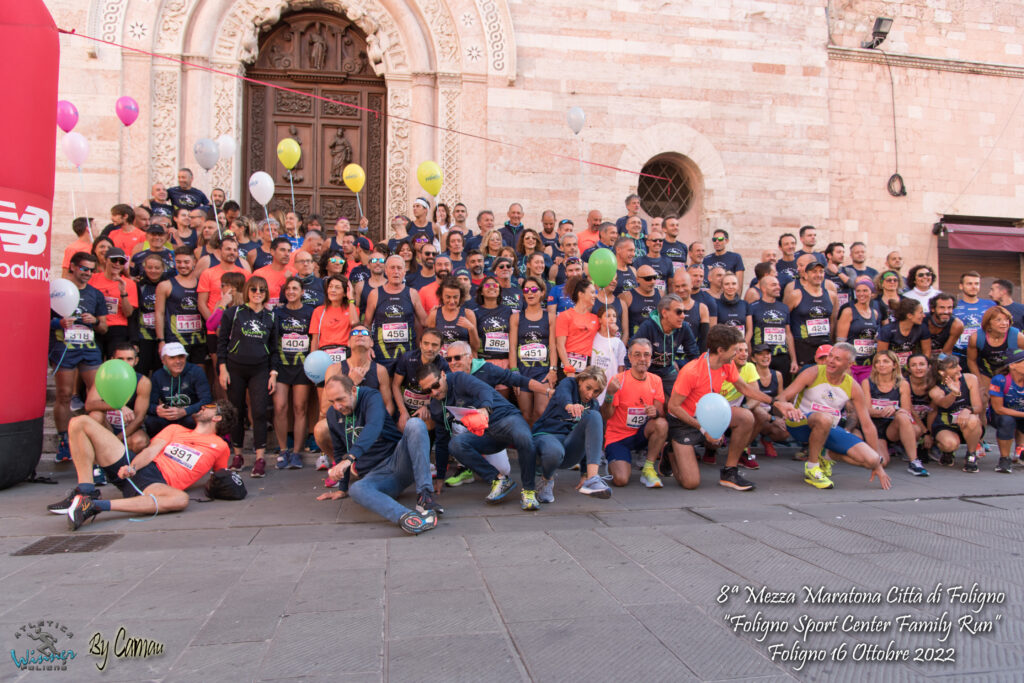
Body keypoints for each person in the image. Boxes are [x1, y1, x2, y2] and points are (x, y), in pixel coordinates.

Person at [53, 401, 236, 531]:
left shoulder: (220, 446)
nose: (203, 407)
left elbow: (222, 477)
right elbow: (151, 451)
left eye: (210, 407)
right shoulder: (175, 429)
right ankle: (86, 490)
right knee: (79, 422)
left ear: (218, 417)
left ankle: (94, 505)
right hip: (140, 466)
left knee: (180, 499)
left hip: (157, 483)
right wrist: (133, 467)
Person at [665, 325, 800, 491]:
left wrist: (775, 402)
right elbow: (673, 407)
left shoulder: (727, 364)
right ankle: (670, 452)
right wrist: (703, 429)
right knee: (691, 483)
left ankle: (730, 472)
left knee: (746, 417)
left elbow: (745, 389)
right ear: (721, 350)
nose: (738, 354)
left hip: (709, 416)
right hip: (684, 421)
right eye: (735, 350)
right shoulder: (691, 371)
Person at [318, 375, 440, 532]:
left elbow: (373, 427)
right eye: (332, 402)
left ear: (353, 390)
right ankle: (408, 518)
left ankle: (425, 497)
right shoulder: (332, 415)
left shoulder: (371, 397)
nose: (337, 406)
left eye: (340, 399)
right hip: (376, 476)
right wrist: (342, 488)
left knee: (415, 424)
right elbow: (339, 449)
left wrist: (350, 458)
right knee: (356, 489)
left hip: (398, 460)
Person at [418, 364, 540, 510]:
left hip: (506, 419)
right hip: (487, 436)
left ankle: (529, 490)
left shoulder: (459, 379)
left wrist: (485, 407)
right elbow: (442, 441)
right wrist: (440, 477)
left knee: (524, 437)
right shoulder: (437, 407)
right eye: (428, 391)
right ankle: (499, 480)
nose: (434, 392)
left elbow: (483, 390)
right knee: (455, 444)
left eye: (436, 385)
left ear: (443, 375)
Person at [777, 343, 892, 490]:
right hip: (799, 423)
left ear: (849, 364)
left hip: (828, 427)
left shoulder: (853, 386)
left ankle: (827, 454)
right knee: (824, 418)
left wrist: (877, 465)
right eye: (830, 356)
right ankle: (813, 468)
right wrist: (787, 406)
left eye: (837, 359)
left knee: (872, 459)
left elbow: (867, 424)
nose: (830, 360)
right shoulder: (813, 372)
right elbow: (782, 396)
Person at [218, 276, 278, 478]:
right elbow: (221, 343)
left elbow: (274, 348)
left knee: (260, 411)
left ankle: (260, 458)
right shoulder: (233, 313)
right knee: (236, 412)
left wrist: (273, 373)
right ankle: (238, 455)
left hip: (260, 369)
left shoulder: (271, 317)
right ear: (247, 292)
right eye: (253, 289)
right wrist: (222, 368)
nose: (258, 293)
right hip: (235, 368)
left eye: (262, 289)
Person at [532, 367, 610, 502]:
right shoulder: (569, 383)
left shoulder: (593, 404)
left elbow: (589, 442)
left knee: (595, 416)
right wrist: (569, 406)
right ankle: (546, 480)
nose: (590, 394)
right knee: (554, 451)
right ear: (581, 380)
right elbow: (563, 394)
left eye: (596, 391)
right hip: (546, 437)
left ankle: (592, 479)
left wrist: (584, 472)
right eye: (588, 387)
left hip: (569, 446)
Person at [602, 338, 669, 488]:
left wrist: (655, 412)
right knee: (621, 480)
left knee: (661, 423)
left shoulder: (656, 380)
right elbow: (606, 416)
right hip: (618, 438)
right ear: (630, 357)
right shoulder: (618, 380)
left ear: (651, 358)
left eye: (646, 355)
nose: (642, 359)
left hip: (641, 434)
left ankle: (648, 468)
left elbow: (660, 413)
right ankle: (613, 461)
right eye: (637, 355)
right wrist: (609, 395)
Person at [860, 350, 928, 475]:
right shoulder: (867, 383)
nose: (881, 365)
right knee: (882, 462)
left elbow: (906, 410)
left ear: (895, 365)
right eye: (878, 362)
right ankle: (875, 450)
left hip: (893, 426)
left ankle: (914, 461)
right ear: (874, 366)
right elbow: (866, 410)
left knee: (904, 417)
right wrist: (881, 412)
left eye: (885, 361)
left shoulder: (902, 384)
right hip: (876, 426)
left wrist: (895, 410)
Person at [272, 277, 315, 470]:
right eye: (288, 288)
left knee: (300, 408)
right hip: (281, 365)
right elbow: (272, 341)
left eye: (295, 288)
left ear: (302, 291)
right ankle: (283, 450)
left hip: (302, 366)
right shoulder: (277, 312)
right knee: (280, 407)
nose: (291, 291)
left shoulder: (309, 312)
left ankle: (297, 452)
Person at [85, 342, 151, 453]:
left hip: (129, 429)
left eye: (129, 359)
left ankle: (128, 466)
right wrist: (118, 406)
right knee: (94, 416)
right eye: (120, 359)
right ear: (113, 360)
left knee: (140, 441)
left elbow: (139, 419)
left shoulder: (143, 382)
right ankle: (97, 466)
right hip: (106, 427)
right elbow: (89, 405)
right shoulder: (103, 377)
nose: (125, 363)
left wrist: (117, 439)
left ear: (136, 361)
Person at [365, 255, 428, 370]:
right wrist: (367, 346)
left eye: (399, 268)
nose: (396, 272)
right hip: (382, 351)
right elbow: (367, 324)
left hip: (407, 350)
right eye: (392, 268)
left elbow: (424, 321)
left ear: (404, 271)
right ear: (386, 270)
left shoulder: (412, 293)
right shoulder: (375, 294)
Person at [630, 294, 700, 397]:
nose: (683, 316)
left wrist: (682, 367)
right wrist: (632, 377)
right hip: (648, 372)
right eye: (678, 312)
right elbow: (632, 350)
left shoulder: (683, 327)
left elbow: (694, 355)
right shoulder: (648, 326)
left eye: (684, 312)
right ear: (664, 313)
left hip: (668, 372)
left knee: (682, 400)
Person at [511, 276, 557, 424]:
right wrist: (514, 373)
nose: (530, 293)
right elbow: (512, 347)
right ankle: (528, 446)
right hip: (523, 372)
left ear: (542, 292)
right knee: (525, 414)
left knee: (540, 411)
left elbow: (553, 346)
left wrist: (553, 370)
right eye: (526, 290)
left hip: (542, 372)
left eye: (534, 289)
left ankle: (538, 444)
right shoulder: (516, 318)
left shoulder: (550, 317)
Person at [929, 353, 984, 471]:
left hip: (968, 424)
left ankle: (971, 454)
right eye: (953, 367)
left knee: (973, 419)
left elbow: (978, 407)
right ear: (942, 372)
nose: (960, 368)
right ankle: (947, 452)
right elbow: (944, 403)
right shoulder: (935, 390)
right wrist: (954, 392)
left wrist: (967, 410)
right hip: (947, 425)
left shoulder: (970, 379)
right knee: (950, 444)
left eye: (958, 365)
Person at [966, 305, 1024, 415]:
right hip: (986, 370)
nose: (1004, 323)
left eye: (1007, 319)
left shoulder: (1017, 336)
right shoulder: (976, 337)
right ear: (989, 323)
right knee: (982, 399)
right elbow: (971, 360)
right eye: (999, 320)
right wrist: (979, 382)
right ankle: (982, 428)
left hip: (1009, 370)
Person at [146, 342, 213, 435]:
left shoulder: (196, 371)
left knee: (193, 420)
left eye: (181, 357)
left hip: (190, 414)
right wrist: (158, 410)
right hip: (168, 416)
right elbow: (148, 404)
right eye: (172, 358)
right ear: (163, 360)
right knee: (151, 422)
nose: (178, 361)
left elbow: (206, 400)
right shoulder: (158, 375)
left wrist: (184, 411)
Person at [155, 246, 206, 364]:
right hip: (175, 340)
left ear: (194, 262)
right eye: (178, 262)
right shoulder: (165, 285)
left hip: (199, 340)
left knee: (199, 374)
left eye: (186, 262)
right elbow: (159, 313)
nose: (182, 265)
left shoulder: (202, 284)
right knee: (177, 374)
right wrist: (161, 340)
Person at [393, 329, 449, 430]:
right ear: (420, 344)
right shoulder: (407, 358)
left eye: (434, 345)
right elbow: (395, 385)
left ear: (441, 347)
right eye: (426, 343)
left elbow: (444, 393)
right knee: (402, 426)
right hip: (405, 405)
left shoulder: (443, 365)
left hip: (428, 406)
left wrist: (428, 407)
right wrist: (403, 411)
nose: (429, 348)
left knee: (428, 425)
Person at [784, 255, 836, 366]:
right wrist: (793, 358)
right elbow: (785, 324)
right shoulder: (795, 294)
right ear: (806, 275)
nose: (818, 275)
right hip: (803, 346)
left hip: (824, 345)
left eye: (821, 272)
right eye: (814, 272)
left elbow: (833, 322)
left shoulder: (831, 295)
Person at [747, 274, 797, 384]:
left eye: (778, 285)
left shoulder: (784, 307)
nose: (778, 287)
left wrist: (793, 360)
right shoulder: (753, 307)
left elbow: (788, 334)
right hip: (761, 356)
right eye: (774, 285)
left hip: (782, 356)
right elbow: (749, 333)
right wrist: (750, 357)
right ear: (763, 288)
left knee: (783, 388)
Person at [89, 247, 138, 358]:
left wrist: (123, 292)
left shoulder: (129, 284)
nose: (117, 264)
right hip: (96, 325)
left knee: (115, 362)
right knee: (94, 362)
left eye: (121, 261)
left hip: (117, 328)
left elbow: (128, 313)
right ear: (105, 260)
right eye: (114, 260)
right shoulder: (93, 279)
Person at [745, 344, 790, 458]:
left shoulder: (777, 375)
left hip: (769, 416)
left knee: (786, 429)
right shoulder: (750, 373)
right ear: (754, 358)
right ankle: (745, 445)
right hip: (753, 415)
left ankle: (766, 440)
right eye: (761, 354)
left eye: (767, 354)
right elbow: (751, 402)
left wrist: (784, 416)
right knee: (760, 413)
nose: (765, 357)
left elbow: (780, 399)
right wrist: (773, 419)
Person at [835, 277, 881, 382]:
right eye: (858, 291)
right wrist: (844, 366)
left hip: (868, 363)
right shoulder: (848, 311)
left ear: (872, 293)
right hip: (852, 364)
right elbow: (840, 342)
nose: (861, 294)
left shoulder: (874, 313)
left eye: (865, 290)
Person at [555, 276, 600, 378]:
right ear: (581, 294)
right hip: (566, 367)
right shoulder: (565, 316)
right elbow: (560, 345)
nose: (595, 296)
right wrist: (568, 368)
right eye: (592, 292)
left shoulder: (596, 319)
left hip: (587, 367)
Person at [987, 349, 1024, 473]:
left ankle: (1021, 452)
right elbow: (999, 409)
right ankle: (1004, 459)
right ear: (1012, 365)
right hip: (1000, 415)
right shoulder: (1000, 380)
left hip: (1020, 414)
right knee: (1007, 421)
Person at [310, 275, 359, 365]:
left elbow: (355, 324)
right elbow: (315, 339)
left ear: (345, 293)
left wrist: (351, 298)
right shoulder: (318, 311)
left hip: (346, 354)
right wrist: (313, 361)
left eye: (337, 287)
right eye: (330, 287)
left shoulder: (352, 309)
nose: (332, 290)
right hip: (323, 355)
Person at [426, 276, 479, 356]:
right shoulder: (434, 314)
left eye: (455, 297)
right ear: (441, 296)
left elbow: (476, 348)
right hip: (442, 362)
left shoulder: (468, 314)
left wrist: (471, 328)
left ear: (461, 296)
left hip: (463, 362)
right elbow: (430, 345)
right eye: (448, 297)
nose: (452, 301)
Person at [135, 252, 169, 376]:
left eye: (157, 268)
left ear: (163, 269)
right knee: (141, 370)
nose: (153, 271)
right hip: (144, 336)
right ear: (144, 268)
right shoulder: (139, 286)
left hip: (164, 336)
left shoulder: (168, 285)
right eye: (150, 267)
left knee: (161, 371)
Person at [876, 298, 932, 369]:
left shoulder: (922, 328)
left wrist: (920, 366)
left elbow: (927, 352)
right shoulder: (887, 330)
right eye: (920, 313)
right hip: (891, 367)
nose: (924, 315)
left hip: (912, 367)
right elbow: (881, 355)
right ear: (909, 316)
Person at [953, 271, 993, 367]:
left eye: (976, 284)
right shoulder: (953, 306)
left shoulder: (990, 305)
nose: (973, 286)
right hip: (959, 354)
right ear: (961, 286)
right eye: (969, 284)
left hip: (983, 354)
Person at [252, 236, 296, 307]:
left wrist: (289, 280)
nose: (287, 254)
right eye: (282, 250)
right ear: (272, 252)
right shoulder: (259, 274)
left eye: (289, 251)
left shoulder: (294, 273)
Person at [620, 265, 661, 338]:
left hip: (655, 342)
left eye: (654, 277)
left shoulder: (661, 294)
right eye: (648, 278)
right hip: (635, 342)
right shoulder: (627, 296)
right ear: (637, 279)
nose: (652, 281)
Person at [925, 292, 962, 359]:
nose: (946, 311)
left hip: (942, 356)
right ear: (933, 309)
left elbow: (946, 352)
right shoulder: (922, 320)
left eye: (949, 308)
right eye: (942, 308)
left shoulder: (957, 325)